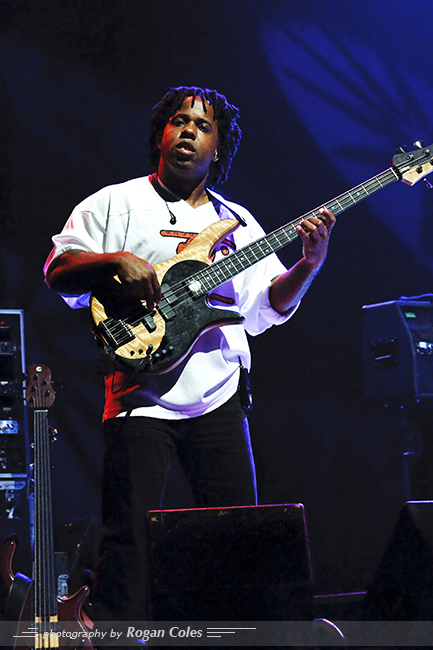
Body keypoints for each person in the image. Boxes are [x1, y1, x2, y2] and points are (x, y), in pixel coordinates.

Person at [44, 86, 335, 621]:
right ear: (160, 134)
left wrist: (308, 267)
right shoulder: (116, 202)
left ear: (218, 147)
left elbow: (264, 305)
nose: (188, 133)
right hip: (140, 397)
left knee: (235, 538)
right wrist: (114, 261)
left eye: (202, 127)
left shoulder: (239, 222)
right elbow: (58, 273)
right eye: (178, 121)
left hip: (220, 395)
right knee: (127, 542)